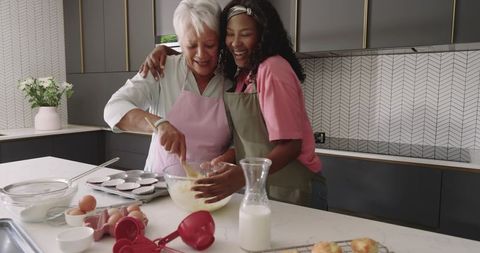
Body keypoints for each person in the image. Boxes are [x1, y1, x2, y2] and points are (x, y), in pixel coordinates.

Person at [140, 0, 326, 209]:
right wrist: (169, 50)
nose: (235, 42)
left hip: (294, 188)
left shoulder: (272, 69)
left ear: (262, 35)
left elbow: (292, 146)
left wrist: (240, 176)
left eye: (245, 34)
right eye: (230, 34)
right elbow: (253, 142)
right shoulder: (243, 77)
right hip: (266, 188)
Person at [104, 0, 233, 174]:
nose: (201, 54)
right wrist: (159, 124)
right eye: (192, 45)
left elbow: (240, 141)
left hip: (210, 190)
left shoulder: (232, 81)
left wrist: (225, 160)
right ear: (180, 42)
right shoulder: (161, 69)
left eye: (210, 45)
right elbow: (113, 108)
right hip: (158, 187)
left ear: (220, 41)